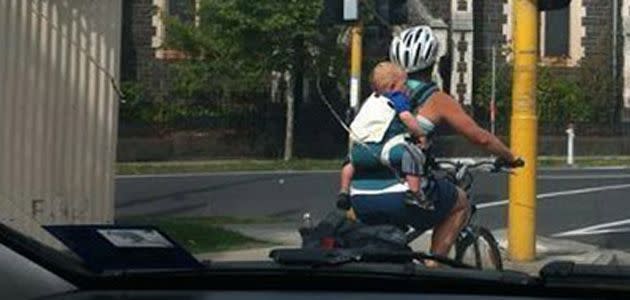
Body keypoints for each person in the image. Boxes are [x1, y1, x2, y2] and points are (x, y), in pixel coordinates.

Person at [348, 26, 523, 267]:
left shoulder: (377, 97)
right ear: (434, 63)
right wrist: (510, 156)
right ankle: (433, 270)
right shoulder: (436, 99)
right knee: (459, 202)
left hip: (360, 196)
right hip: (400, 194)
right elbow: (480, 137)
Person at [338, 62, 433, 210]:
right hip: (384, 150)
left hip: (358, 152)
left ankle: (344, 190)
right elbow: (406, 117)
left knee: (348, 162)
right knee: (412, 154)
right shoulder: (396, 98)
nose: (407, 88)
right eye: (404, 84)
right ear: (393, 86)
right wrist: (421, 134)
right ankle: (415, 193)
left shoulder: (370, 101)